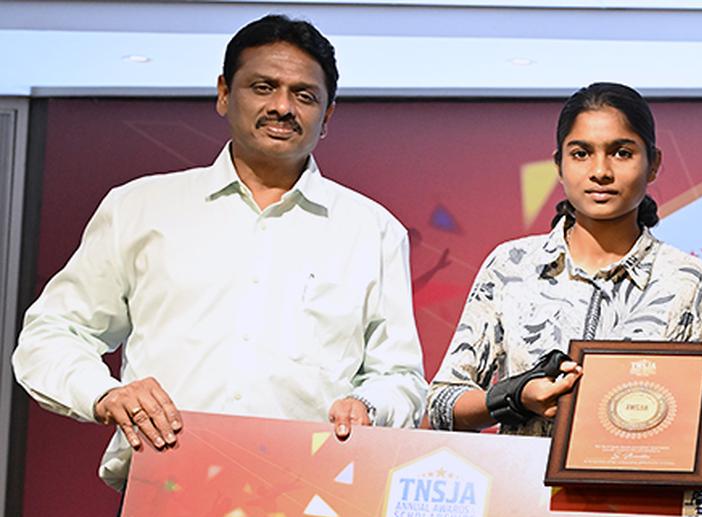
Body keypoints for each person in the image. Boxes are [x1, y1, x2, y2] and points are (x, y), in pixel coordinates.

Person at [12, 15, 426, 490]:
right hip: (163, 488)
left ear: (328, 115)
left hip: (313, 500)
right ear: (224, 94)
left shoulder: (372, 230)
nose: (283, 107)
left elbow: (400, 377)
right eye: (263, 87)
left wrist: (369, 407)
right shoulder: (140, 207)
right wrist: (105, 393)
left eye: (304, 95)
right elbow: (52, 333)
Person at [427, 82, 702, 446]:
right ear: (558, 165)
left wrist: (660, 426)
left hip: (643, 500)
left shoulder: (690, 280)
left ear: (654, 163)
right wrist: (516, 397)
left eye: (622, 153)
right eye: (581, 153)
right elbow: (442, 405)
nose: (601, 171)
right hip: (522, 496)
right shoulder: (510, 267)